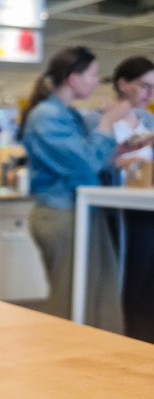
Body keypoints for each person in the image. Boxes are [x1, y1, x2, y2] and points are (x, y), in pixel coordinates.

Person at [18, 46, 150, 333]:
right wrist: (107, 122)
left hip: (79, 212)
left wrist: (121, 151)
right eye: (92, 74)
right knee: (69, 297)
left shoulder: (68, 115)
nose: (96, 81)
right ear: (73, 78)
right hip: (60, 212)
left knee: (93, 293)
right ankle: (62, 354)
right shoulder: (46, 116)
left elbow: (94, 160)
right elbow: (84, 164)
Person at [111, 56, 154, 343]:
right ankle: (130, 337)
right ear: (123, 84)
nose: (150, 94)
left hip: (147, 204)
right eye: (144, 86)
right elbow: (96, 162)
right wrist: (131, 160)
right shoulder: (102, 120)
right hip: (120, 209)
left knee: (149, 279)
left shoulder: (149, 120)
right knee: (132, 278)